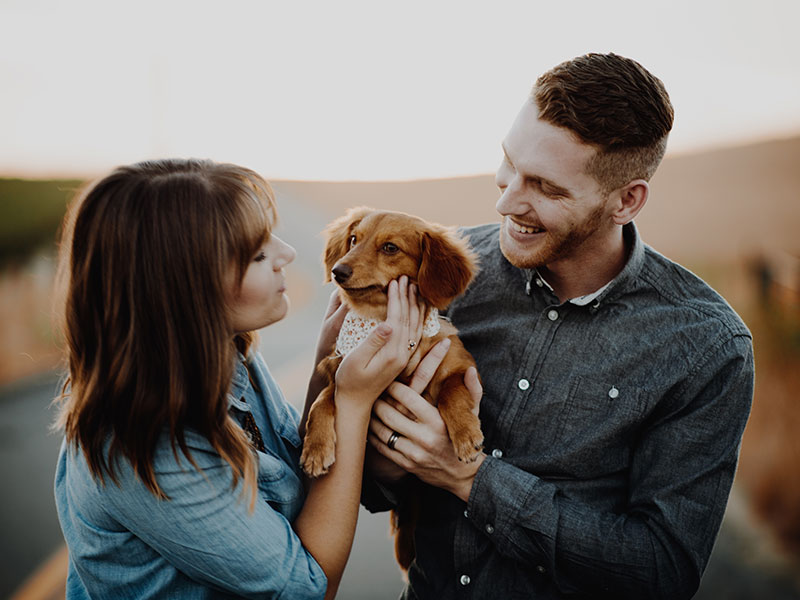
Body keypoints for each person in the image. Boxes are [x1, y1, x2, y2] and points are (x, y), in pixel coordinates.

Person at [364, 53, 755, 599]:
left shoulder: (704, 346)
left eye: (545, 188)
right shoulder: (444, 274)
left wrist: (469, 477)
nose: (505, 200)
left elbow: (661, 572)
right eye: (508, 163)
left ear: (626, 200)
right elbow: (372, 488)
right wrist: (385, 452)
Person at [52, 158, 436, 599]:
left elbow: (301, 475)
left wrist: (324, 374)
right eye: (257, 253)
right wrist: (350, 403)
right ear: (186, 286)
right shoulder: (148, 445)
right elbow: (308, 589)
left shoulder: (230, 358)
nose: (286, 254)